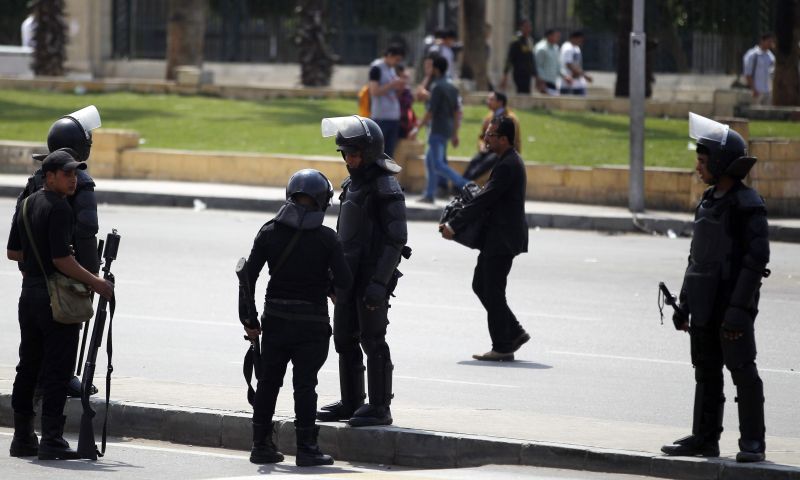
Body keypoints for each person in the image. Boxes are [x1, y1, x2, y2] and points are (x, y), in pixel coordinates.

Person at [661, 113, 770, 463]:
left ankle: (753, 441)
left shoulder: (747, 205)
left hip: (731, 306)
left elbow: (756, 262)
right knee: (706, 373)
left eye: (703, 161)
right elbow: (697, 259)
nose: (697, 167)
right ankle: (705, 438)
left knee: (742, 372)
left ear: (722, 163)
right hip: (705, 305)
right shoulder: (707, 202)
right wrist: (684, 305)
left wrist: (739, 311)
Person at [6, 149, 114, 460]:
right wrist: (96, 282)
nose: (73, 179)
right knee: (57, 369)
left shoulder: (26, 204)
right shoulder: (60, 208)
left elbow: (14, 252)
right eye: (66, 174)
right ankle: (52, 438)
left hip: (29, 296)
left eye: (75, 173)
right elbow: (61, 259)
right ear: (49, 176)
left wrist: (39, 257)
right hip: (56, 300)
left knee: (28, 366)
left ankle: (22, 437)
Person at [242, 169, 352, 467]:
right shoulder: (328, 239)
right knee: (305, 385)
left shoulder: (268, 231)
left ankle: (260, 445)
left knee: (268, 383)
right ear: (322, 201)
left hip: (275, 320)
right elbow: (344, 282)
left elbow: (247, 279)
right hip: (312, 325)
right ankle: (307, 448)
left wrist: (250, 322)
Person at [317, 115, 409, 427]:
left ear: (370, 153)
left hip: (371, 277)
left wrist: (379, 283)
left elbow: (397, 238)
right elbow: (346, 235)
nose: (350, 161)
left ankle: (380, 407)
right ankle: (352, 401)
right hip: (347, 275)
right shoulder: (352, 184)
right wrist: (333, 275)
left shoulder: (385, 186)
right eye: (345, 154)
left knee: (373, 340)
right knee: (343, 338)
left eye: (355, 154)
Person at [17, 105, 103, 398]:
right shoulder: (81, 181)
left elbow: (17, 239)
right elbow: (87, 230)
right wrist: (91, 276)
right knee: (66, 330)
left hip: (32, 280)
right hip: (66, 273)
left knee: (32, 349)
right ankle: (63, 381)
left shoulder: (35, 181)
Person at [439, 117, 530, 361]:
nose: (486, 138)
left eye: (490, 135)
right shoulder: (505, 161)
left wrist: (454, 224)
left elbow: (485, 199)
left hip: (503, 239)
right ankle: (514, 333)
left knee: (492, 290)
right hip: (498, 237)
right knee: (482, 286)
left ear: (504, 139)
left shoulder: (508, 165)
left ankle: (502, 345)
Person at [418, 56, 468, 204]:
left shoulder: (437, 87)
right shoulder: (451, 86)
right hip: (446, 130)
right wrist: (454, 134)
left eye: (431, 67)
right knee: (429, 161)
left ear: (436, 69)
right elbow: (455, 111)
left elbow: (430, 112)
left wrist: (417, 128)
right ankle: (429, 194)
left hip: (436, 130)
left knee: (438, 164)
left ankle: (466, 185)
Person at [464, 92, 521, 181]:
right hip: (489, 149)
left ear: (500, 102)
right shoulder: (489, 117)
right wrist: (482, 145)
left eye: (491, 99)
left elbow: (512, 140)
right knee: (474, 161)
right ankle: (461, 184)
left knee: (483, 165)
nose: (488, 102)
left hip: (503, 151)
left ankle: (463, 184)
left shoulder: (510, 118)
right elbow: (482, 136)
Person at [368, 44, 407, 158]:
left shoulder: (391, 69)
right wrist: (392, 84)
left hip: (393, 117)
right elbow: (374, 91)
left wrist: (400, 86)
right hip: (381, 117)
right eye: (397, 59)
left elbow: (393, 93)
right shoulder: (376, 68)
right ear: (390, 55)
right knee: (377, 152)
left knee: (389, 155)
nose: (397, 63)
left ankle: (387, 176)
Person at [500, 19, 537, 94]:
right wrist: (505, 74)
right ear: (521, 27)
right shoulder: (516, 41)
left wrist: (535, 74)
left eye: (529, 27)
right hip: (519, 72)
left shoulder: (529, 40)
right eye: (526, 27)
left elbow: (531, 59)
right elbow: (509, 58)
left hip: (528, 73)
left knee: (527, 92)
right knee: (522, 92)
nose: (528, 29)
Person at [742, 33, 775, 106]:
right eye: (769, 41)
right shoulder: (753, 55)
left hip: (768, 91)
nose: (770, 44)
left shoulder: (771, 56)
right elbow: (748, 73)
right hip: (756, 91)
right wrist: (753, 89)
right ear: (762, 41)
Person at [559, 31, 593, 96]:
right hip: (569, 81)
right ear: (573, 38)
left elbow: (577, 64)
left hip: (578, 82)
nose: (581, 42)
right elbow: (568, 64)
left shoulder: (576, 48)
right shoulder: (568, 48)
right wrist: (584, 75)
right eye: (580, 39)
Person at [534, 29, 562, 95]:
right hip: (544, 82)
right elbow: (537, 66)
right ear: (550, 36)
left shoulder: (556, 48)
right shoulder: (541, 48)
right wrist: (541, 82)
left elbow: (557, 65)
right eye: (556, 36)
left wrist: (564, 75)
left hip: (553, 81)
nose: (558, 38)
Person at [394, 64, 418, 140]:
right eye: (403, 77)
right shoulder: (390, 91)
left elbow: (410, 108)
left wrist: (414, 127)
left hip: (403, 127)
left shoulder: (407, 92)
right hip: (392, 123)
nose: (405, 81)